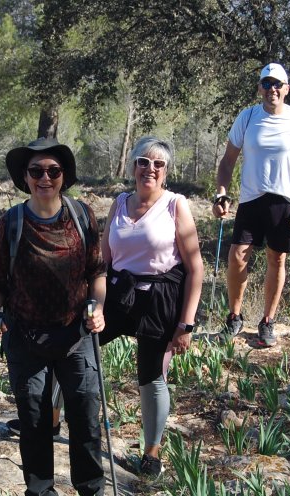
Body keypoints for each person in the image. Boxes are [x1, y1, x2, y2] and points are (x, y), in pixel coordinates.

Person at [0, 138, 108, 496]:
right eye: (36, 171)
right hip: (25, 337)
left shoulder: (82, 215)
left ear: (63, 177)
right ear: (25, 177)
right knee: (34, 419)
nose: (45, 178)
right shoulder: (11, 223)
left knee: (85, 415)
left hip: (75, 335)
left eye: (53, 171)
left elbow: (96, 271)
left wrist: (99, 308)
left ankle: (90, 495)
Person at [99, 136, 204, 477]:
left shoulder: (175, 205)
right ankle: (53, 420)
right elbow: (103, 259)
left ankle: (152, 453)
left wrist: (186, 324)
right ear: (133, 167)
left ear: (166, 172)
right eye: (144, 162)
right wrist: (92, 304)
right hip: (118, 293)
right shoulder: (120, 202)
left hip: (159, 298)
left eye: (158, 164)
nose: (150, 169)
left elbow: (195, 268)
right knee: (72, 344)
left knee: (151, 376)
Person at [213, 63, 290, 347]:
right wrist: (221, 193)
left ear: (286, 89)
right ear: (260, 87)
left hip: (285, 200)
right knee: (237, 256)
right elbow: (227, 161)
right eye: (266, 83)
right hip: (251, 199)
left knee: (277, 259)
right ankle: (234, 317)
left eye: (277, 84)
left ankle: (268, 322)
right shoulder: (247, 118)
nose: (272, 89)